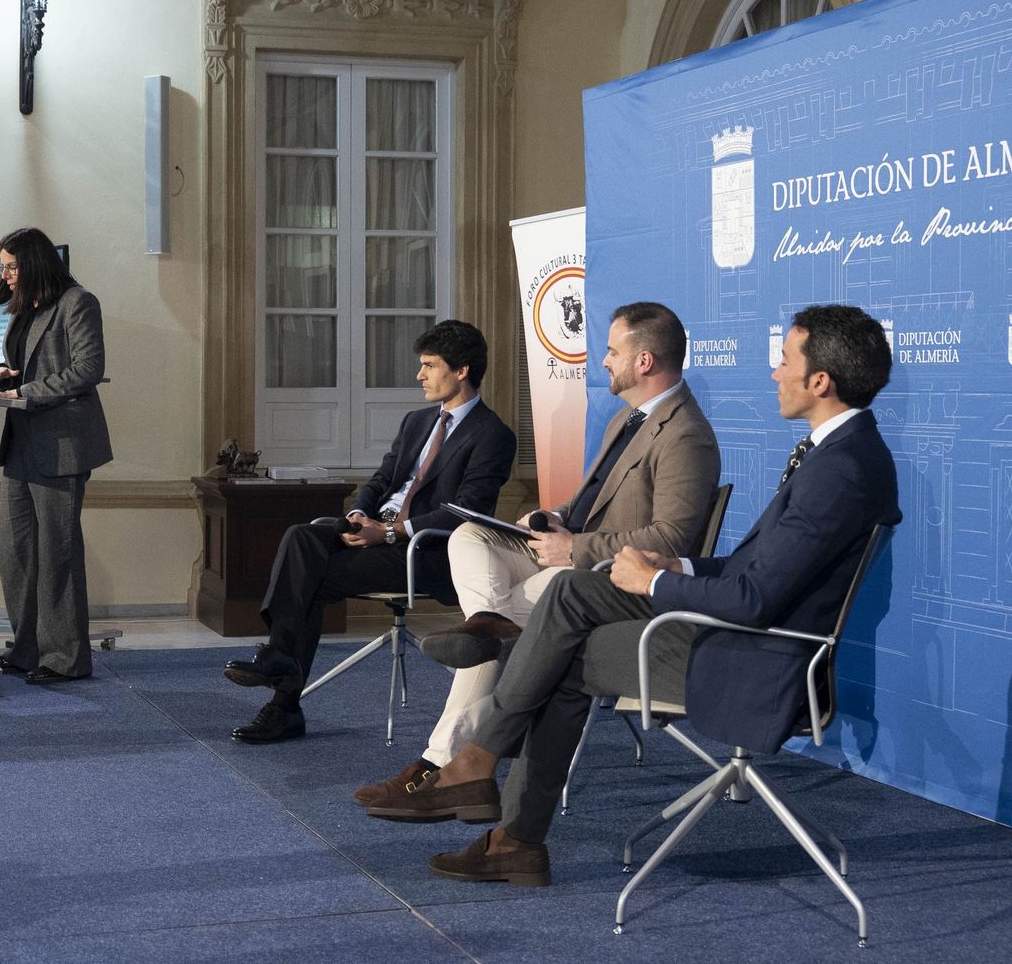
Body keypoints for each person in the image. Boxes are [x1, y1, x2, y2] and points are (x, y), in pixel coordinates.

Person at [368, 304, 901, 889]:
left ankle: (495, 801)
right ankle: (490, 787)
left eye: (784, 361)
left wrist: (654, 581)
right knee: (569, 597)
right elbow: (760, 569)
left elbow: (754, 600)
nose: (774, 373)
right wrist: (680, 565)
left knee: (562, 648)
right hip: (732, 625)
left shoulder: (840, 470)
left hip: (757, 658)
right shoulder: (839, 454)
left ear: (820, 381)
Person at [354, 302, 720, 808]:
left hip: (604, 581)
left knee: (516, 614)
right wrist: (549, 517)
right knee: (467, 537)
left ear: (645, 361)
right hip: (565, 556)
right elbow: (588, 503)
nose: (604, 362)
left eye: (612, 352)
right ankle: (487, 621)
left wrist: (576, 548)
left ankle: (438, 764)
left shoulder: (684, 433)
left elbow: (671, 540)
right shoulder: (627, 419)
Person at [222, 320, 517, 744]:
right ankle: (280, 661)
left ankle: (283, 694)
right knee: (302, 536)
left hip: (424, 551)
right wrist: (361, 513)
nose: (420, 376)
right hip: (378, 531)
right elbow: (381, 481)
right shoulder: (416, 422)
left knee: (310, 577)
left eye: (430, 366)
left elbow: (466, 511)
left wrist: (393, 532)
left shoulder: (492, 435)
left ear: (462, 371)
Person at [0, 227, 113, 685]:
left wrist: (27, 391)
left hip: (62, 443)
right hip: (20, 441)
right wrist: (4, 373)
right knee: (13, 551)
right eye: (2, 268)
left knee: (56, 554)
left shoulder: (77, 302)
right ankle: (25, 649)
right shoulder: (23, 309)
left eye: (12, 267)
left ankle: (66, 659)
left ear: (35, 263)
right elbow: (23, 362)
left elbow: (88, 368)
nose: (6, 276)